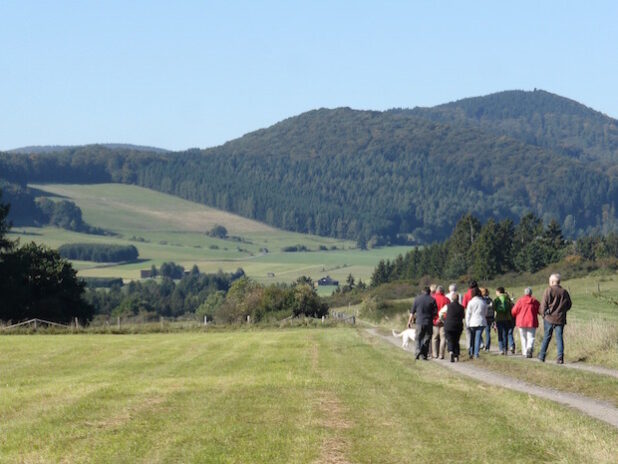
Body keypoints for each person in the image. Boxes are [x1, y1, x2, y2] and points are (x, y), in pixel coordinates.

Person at [538, 274, 572, 364]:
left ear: (552, 282)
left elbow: (543, 305)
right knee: (559, 338)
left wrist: (543, 315)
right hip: (560, 318)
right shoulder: (564, 292)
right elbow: (569, 305)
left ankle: (542, 356)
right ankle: (560, 358)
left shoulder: (548, 290)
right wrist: (562, 311)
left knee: (546, 337)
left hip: (549, 318)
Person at [408, 286, 438, 360]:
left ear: (422, 291)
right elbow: (435, 313)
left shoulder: (417, 299)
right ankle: (424, 354)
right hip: (428, 322)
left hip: (419, 322)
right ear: (429, 292)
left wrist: (409, 321)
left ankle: (418, 352)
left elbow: (412, 312)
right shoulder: (432, 300)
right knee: (427, 338)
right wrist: (431, 316)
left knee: (418, 338)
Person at [511, 287, 540, 358]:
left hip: (521, 321)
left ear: (524, 293)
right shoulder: (535, 301)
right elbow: (540, 310)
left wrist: (515, 315)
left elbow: (514, 311)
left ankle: (524, 352)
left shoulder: (520, 301)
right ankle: (529, 348)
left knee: (523, 337)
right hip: (531, 321)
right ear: (531, 293)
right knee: (531, 337)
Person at [465, 287, 487, 358]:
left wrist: (467, 323)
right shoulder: (483, 302)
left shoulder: (471, 302)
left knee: (472, 338)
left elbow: (468, 314)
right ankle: (476, 353)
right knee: (478, 338)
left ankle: (471, 352)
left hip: (472, 322)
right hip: (481, 321)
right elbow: (485, 313)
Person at [444, 292, 465, 362]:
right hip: (458, 325)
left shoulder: (448, 306)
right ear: (458, 299)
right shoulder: (462, 307)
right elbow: (463, 316)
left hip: (448, 325)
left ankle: (451, 352)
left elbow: (440, 313)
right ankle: (456, 354)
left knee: (450, 339)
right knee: (456, 340)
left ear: (451, 299)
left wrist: (443, 319)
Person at [494, 287, 515, 355]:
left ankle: (501, 349)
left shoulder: (496, 299)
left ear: (499, 292)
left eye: (496, 292)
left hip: (499, 319)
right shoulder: (507, 299)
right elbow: (512, 307)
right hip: (507, 318)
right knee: (505, 334)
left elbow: (493, 308)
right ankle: (505, 349)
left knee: (500, 334)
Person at [431, 285, 450, 359]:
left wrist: (434, 319)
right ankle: (441, 354)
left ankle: (435, 354)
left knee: (434, 337)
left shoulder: (433, 298)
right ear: (443, 291)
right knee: (443, 338)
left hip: (434, 320)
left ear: (437, 291)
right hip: (444, 320)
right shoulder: (447, 299)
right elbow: (448, 311)